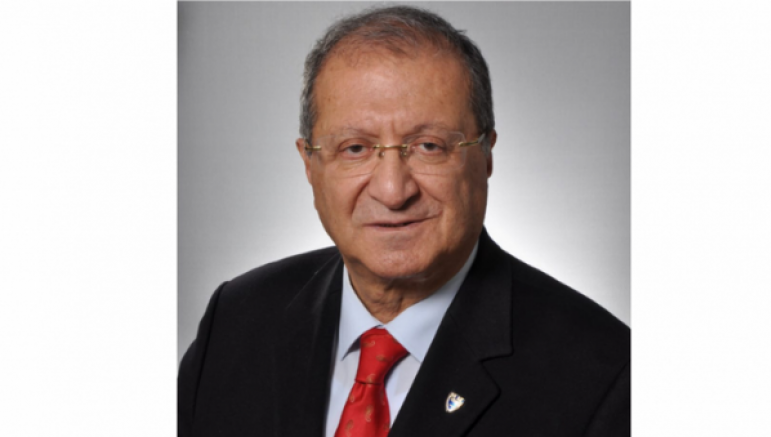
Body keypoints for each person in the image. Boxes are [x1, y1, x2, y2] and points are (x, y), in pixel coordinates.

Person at [178, 5, 629, 437]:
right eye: (355, 148)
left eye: (429, 146)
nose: (393, 191)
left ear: (486, 154)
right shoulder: (235, 322)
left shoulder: (605, 375)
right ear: (310, 165)